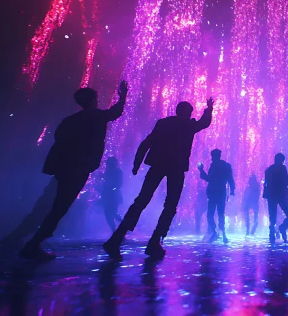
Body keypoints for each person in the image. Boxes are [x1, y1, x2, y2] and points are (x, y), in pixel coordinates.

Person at [19, 81, 128, 260]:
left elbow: (58, 139)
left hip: (62, 168)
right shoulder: (96, 116)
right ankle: (33, 244)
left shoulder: (69, 120)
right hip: (78, 169)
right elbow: (115, 112)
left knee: (52, 204)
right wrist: (122, 97)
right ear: (93, 100)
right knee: (60, 207)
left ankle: (30, 238)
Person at [103, 98, 214, 260]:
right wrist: (209, 108)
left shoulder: (163, 123)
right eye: (190, 113)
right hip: (176, 168)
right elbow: (204, 123)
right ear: (187, 113)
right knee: (170, 205)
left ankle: (117, 238)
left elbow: (147, 142)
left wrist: (137, 162)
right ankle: (155, 241)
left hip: (157, 165)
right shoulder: (188, 125)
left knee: (141, 201)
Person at [198, 149, 236, 244]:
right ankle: (223, 234)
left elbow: (209, 178)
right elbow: (230, 179)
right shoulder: (226, 166)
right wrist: (232, 190)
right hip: (221, 192)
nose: (211, 158)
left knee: (211, 214)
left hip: (213, 191)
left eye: (212, 156)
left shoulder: (214, 166)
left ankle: (215, 233)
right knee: (220, 213)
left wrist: (201, 170)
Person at [263, 153, 288, 244]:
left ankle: (272, 234)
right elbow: (287, 180)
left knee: (272, 215)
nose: (282, 162)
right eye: (282, 160)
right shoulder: (282, 168)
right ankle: (282, 227)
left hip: (271, 195)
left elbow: (265, 184)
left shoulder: (268, 170)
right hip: (281, 194)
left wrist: (265, 194)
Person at [100, 157, 123, 232]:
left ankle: (124, 226)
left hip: (113, 195)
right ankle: (115, 230)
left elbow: (119, 184)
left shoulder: (118, 171)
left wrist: (113, 189)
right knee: (108, 213)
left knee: (113, 212)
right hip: (106, 195)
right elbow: (105, 180)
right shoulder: (108, 171)